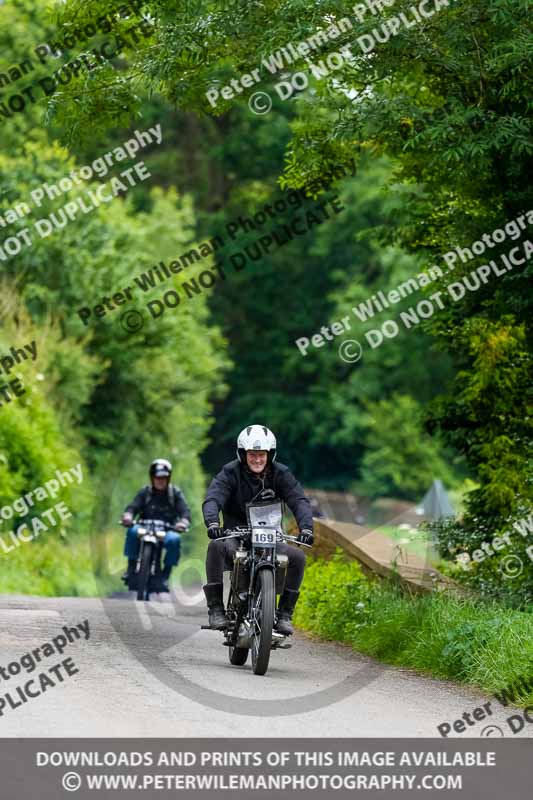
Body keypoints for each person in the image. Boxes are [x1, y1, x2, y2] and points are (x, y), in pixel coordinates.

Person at [202, 425, 314, 635]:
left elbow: (298, 500)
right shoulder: (229, 472)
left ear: (269, 454)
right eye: (252, 455)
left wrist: (306, 528)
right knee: (216, 546)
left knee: (298, 557)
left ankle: (284, 615)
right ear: (243, 454)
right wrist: (213, 524)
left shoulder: (282, 474)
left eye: (261, 455)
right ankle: (216, 608)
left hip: (271, 534)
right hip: (237, 533)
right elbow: (213, 498)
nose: (257, 460)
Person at [121, 458, 191, 591]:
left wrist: (183, 522)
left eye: (164, 477)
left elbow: (185, 512)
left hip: (166, 530)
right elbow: (133, 507)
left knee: (175, 539)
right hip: (143, 527)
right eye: (157, 477)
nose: (160, 480)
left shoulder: (174, 494)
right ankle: (130, 568)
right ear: (152, 477)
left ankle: (165, 575)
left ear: (168, 478)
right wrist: (128, 516)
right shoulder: (145, 492)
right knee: (131, 531)